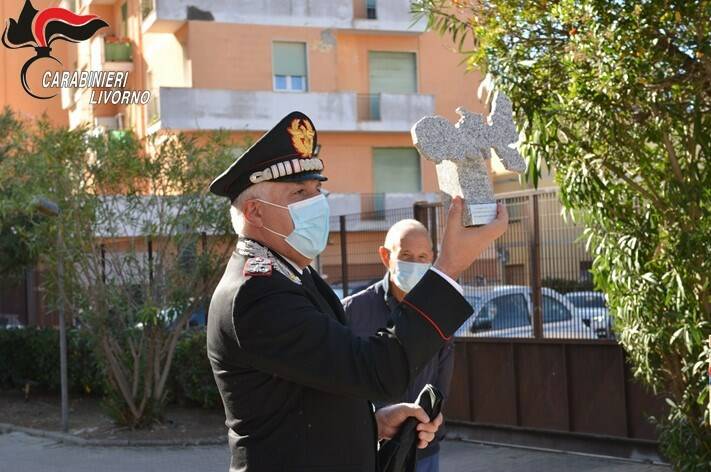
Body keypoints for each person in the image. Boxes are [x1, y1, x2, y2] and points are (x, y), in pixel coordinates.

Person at [206, 111, 508, 471]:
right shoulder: (257, 294)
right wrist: (447, 268)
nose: (316, 201)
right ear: (255, 212)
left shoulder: (293, 276)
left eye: (317, 189)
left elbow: (317, 390)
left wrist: (374, 423)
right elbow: (375, 370)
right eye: (299, 192)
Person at [342, 219, 451, 472]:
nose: (415, 263)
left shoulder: (439, 314)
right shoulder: (352, 311)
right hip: (371, 449)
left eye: (423, 256)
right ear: (385, 256)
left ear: (432, 259)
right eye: (406, 255)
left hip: (423, 449)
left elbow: (441, 380)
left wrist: (432, 421)